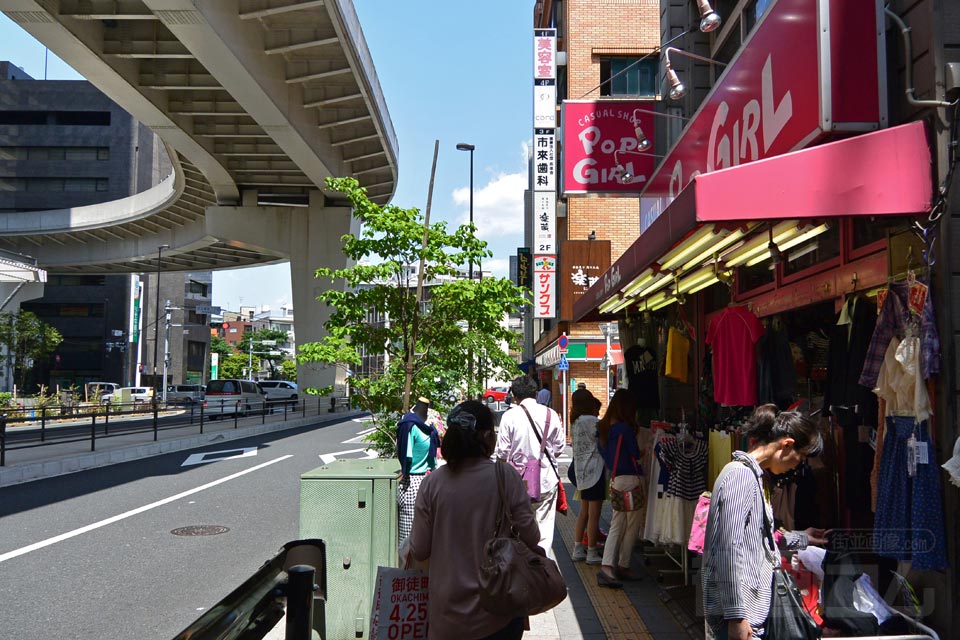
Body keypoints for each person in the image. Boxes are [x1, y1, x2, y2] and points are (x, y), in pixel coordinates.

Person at [409, 401, 540, 640]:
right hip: (498, 613)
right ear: (488, 435)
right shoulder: (504, 476)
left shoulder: (432, 483)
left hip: (446, 618)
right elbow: (532, 536)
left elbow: (418, 549)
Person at [702, 405, 829, 640]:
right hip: (742, 618)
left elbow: (760, 540)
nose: (797, 465)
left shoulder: (756, 477)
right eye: (800, 457)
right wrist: (736, 617)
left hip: (751, 615)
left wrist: (803, 537)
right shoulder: (740, 476)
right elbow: (727, 551)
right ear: (786, 444)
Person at [496, 375, 566, 558]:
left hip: (517, 483)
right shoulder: (550, 414)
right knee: (544, 527)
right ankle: (542, 567)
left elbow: (502, 454)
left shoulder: (509, 416)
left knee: (518, 527)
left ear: (514, 395)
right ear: (535, 393)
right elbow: (559, 448)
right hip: (546, 480)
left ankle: (523, 568)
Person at [596, 388, 645, 588]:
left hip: (615, 480)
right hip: (631, 480)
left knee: (617, 523)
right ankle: (623, 564)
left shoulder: (603, 428)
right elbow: (635, 453)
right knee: (632, 524)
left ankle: (608, 566)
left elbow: (605, 454)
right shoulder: (625, 429)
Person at [396, 397, 439, 542]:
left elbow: (405, 456)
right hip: (422, 481)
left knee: (411, 536)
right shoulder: (421, 426)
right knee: (413, 536)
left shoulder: (409, 424)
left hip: (412, 482)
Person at [570, 389, 605, 565]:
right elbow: (604, 438)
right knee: (594, 514)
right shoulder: (592, 421)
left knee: (584, 512)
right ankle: (591, 551)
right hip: (594, 471)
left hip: (580, 473)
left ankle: (577, 548)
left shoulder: (575, 422)